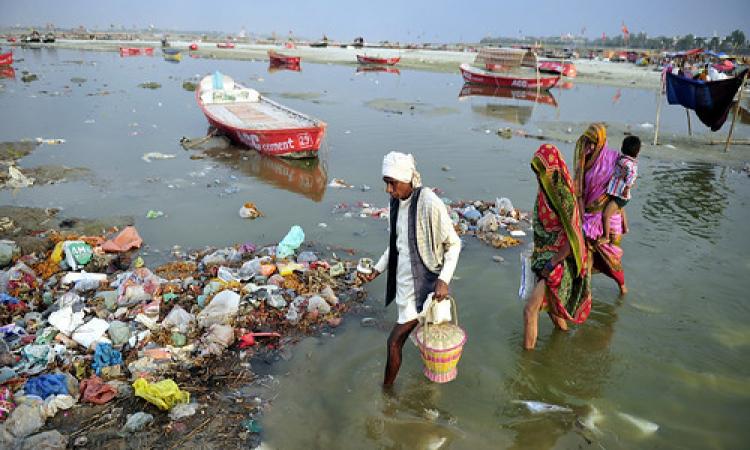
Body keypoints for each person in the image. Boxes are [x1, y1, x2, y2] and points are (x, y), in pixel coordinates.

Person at [359, 151, 461, 386]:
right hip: (405, 285)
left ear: (407, 179)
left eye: (392, 183)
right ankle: (430, 390)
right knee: (423, 341)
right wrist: (377, 270)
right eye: (386, 183)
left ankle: (387, 394)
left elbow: (454, 243)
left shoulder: (429, 202)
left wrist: (444, 280)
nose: (388, 190)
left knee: (394, 342)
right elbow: (396, 245)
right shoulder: (396, 203)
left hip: (424, 287)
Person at [525, 144, 591, 350]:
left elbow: (574, 237)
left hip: (561, 260)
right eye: (536, 171)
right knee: (554, 312)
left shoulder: (563, 196)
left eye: (541, 171)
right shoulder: (544, 191)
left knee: (529, 311)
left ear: (552, 170)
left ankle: (524, 368)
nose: (538, 176)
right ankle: (566, 348)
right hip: (544, 257)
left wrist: (552, 264)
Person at [573, 123, 628, 294]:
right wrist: (581, 215)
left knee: (611, 259)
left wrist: (624, 216)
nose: (590, 147)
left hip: (609, 218)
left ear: (602, 142)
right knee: (585, 254)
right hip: (589, 216)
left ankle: (623, 288)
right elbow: (579, 191)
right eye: (588, 142)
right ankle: (586, 292)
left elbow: (622, 189)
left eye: (594, 143)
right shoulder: (584, 160)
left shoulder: (615, 160)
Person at [600, 136, 640, 244]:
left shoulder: (627, 163)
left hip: (620, 196)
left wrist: (627, 187)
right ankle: (626, 228)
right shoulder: (626, 160)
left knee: (606, 215)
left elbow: (633, 176)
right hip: (619, 194)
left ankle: (606, 236)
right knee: (621, 209)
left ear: (623, 147)